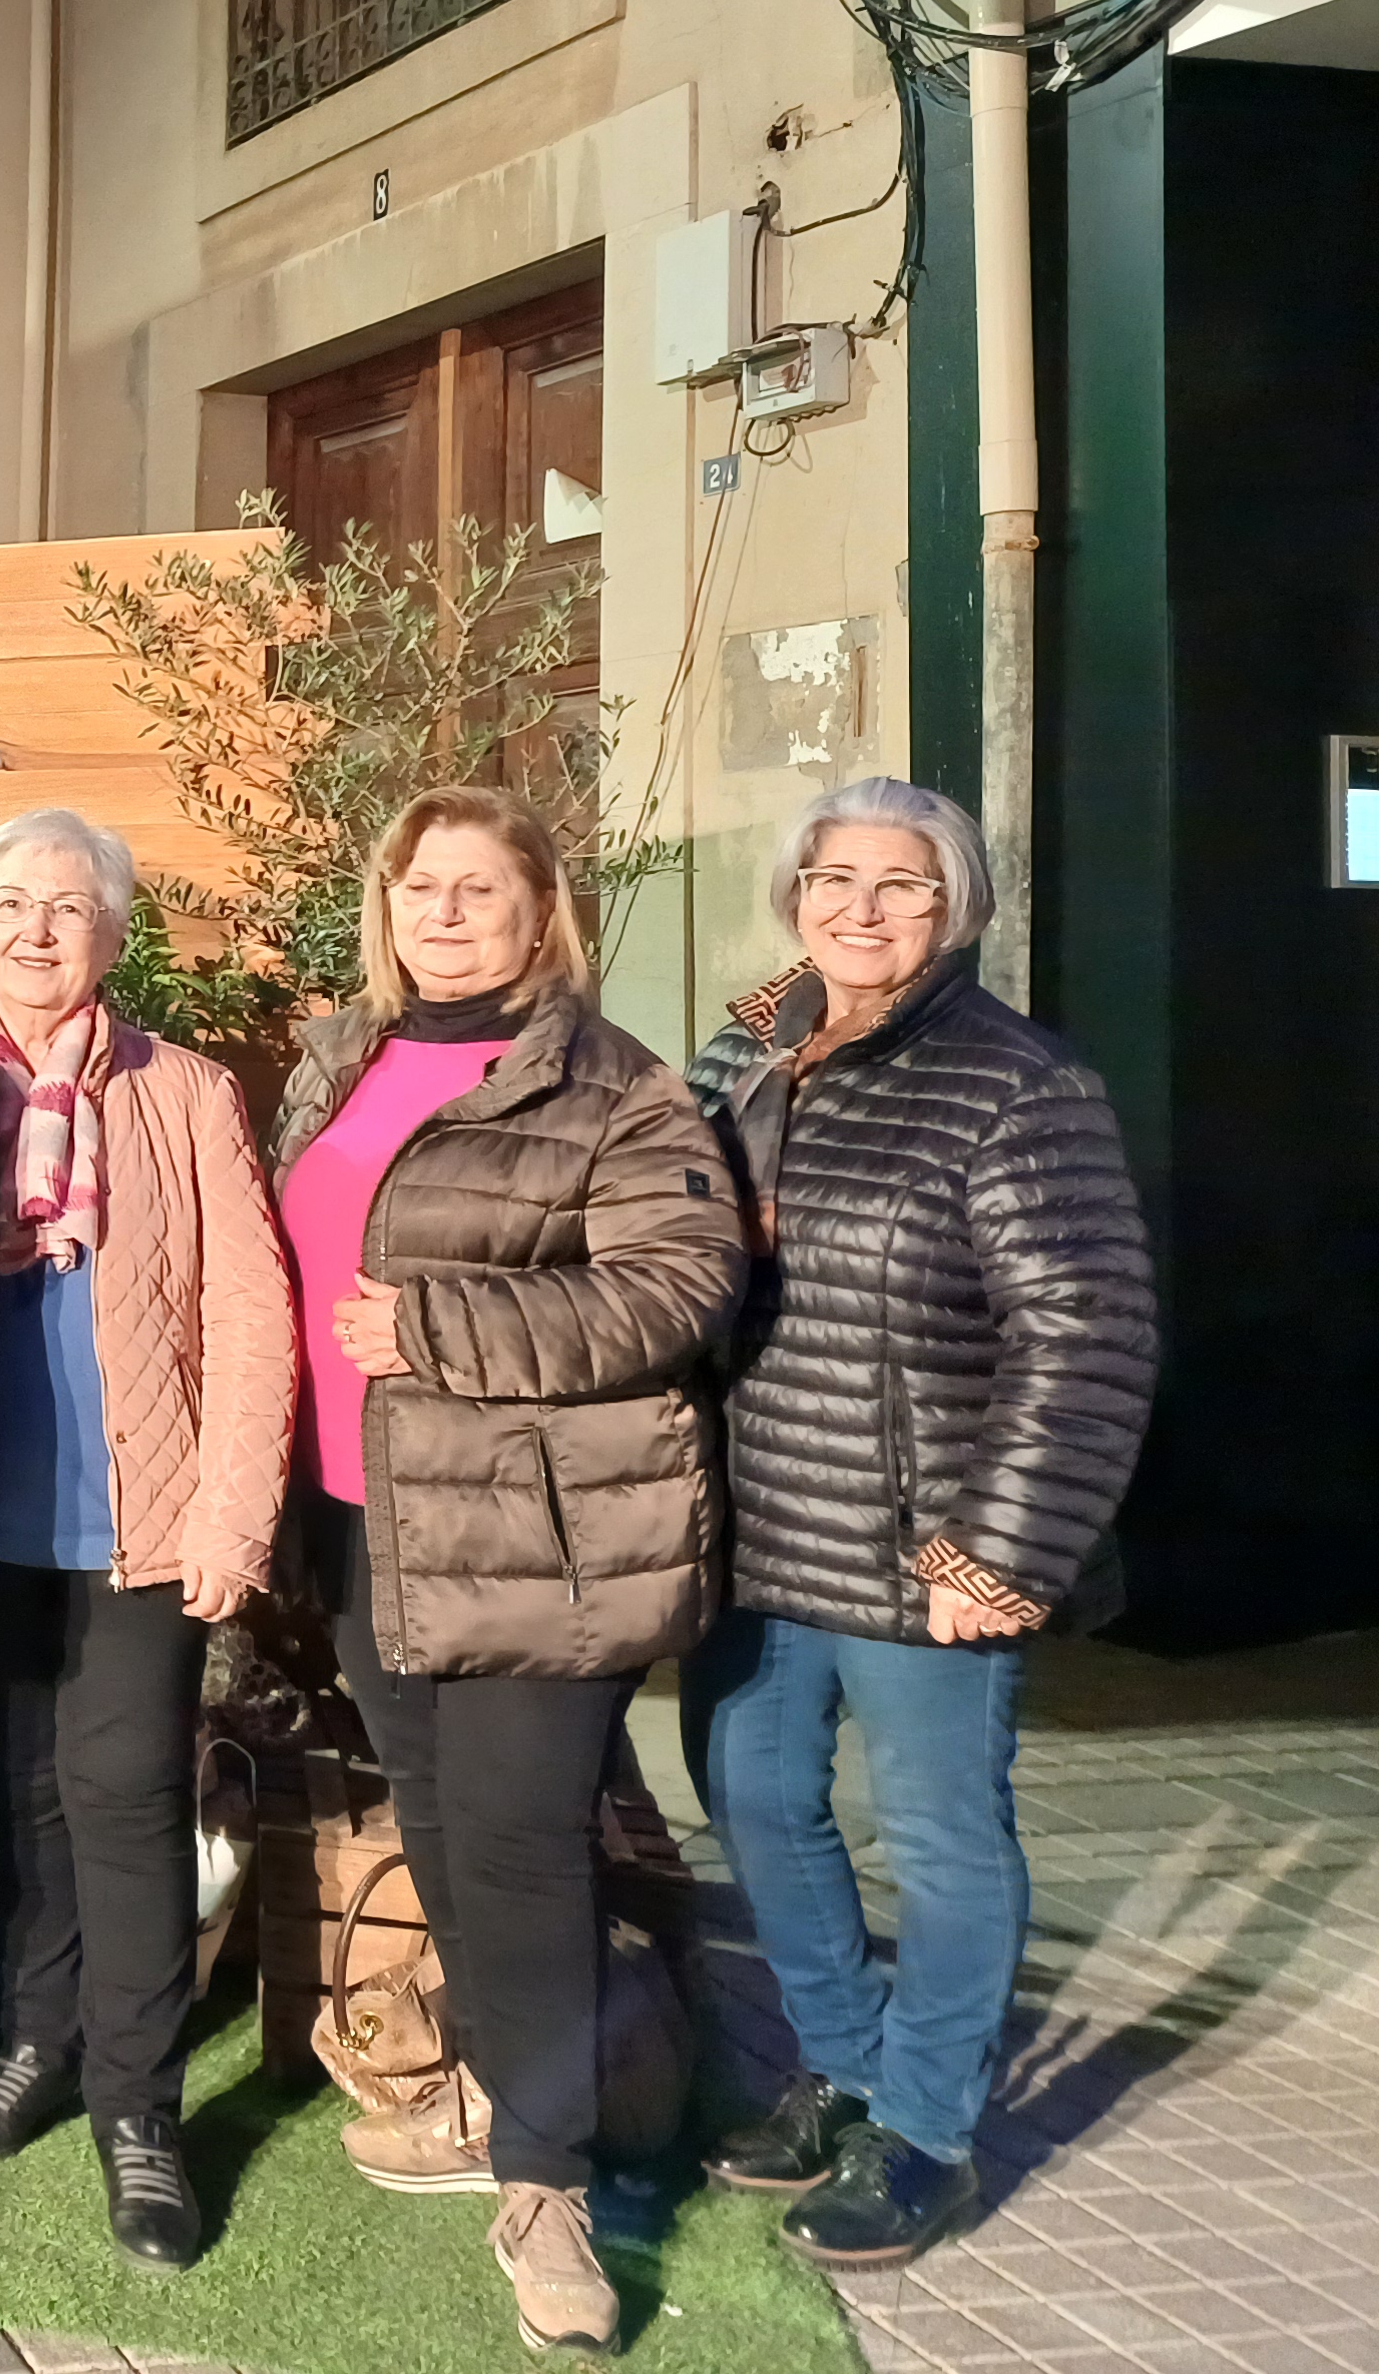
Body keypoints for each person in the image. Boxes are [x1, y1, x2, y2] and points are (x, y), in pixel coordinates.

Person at [270, 785, 742, 2361]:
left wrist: (439, 1328)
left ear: (544, 912)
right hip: (367, 1520)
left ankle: (550, 2189)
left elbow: (679, 1285)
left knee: (523, 1846)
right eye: (421, 888)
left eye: (481, 888)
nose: (446, 914)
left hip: (541, 1538)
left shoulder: (613, 1085)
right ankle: (497, 2095)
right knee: (441, 1829)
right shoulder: (338, 1059)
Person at [681, 779, 1154, 2270]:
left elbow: (1086, 1329)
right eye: (835, 878)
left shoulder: (1017, 1083)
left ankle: (928, 2132)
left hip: (921, 1539)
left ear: (956, 909)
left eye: (903, 885)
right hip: (756, 1519)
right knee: (752, 1799)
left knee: (944, 1840)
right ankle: (840, 2064)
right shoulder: (747, 1051)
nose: (862, 910)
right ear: (796, 892)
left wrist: (1000, 1551)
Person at [0, 807, 294, 2269]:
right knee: (14, 1799)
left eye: (67, 908)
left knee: (127, 1800)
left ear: (113, 936)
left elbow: (251, 1313)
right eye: (10, 902)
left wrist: (232, 1516)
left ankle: (139, 2108)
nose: (35, 930)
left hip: (143, 1520)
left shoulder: (184, 1092)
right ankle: (36, 2040)